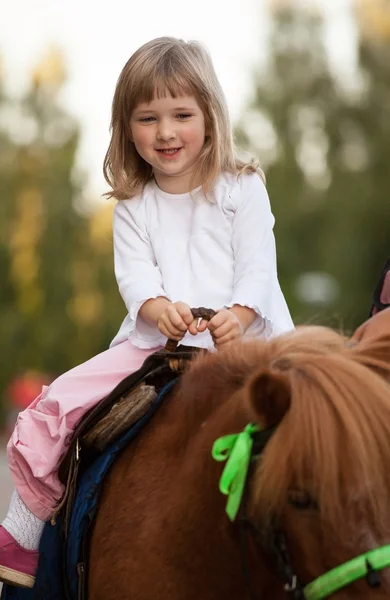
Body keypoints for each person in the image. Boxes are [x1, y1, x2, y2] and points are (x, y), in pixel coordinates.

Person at [0, 36, 293, 589]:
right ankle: (24, 528)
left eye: (182, 114)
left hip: (246, 336)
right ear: (126, 126)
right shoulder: (134, 204)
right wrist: (161, 311)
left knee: (317, 410)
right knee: (59, 402)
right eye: (147, 117)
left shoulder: (241, 188)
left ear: (210, 115)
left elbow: (257, 265)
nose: (165, 132)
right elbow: (136, 279)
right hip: (157, 343)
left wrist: (241, 312)